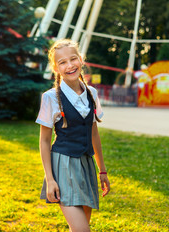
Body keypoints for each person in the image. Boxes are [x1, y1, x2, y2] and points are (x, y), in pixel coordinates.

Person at [36, 39, 110, 231]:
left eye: (73, 59)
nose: (69, 66)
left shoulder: (91, 93)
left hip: (86, 165)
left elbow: (94, 134)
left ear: (81, 60)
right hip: (63, 166)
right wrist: (50, 179)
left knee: (81, 225)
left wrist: (102, 170)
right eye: (62, 62)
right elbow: (44, 141)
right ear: (55, 67)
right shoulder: (51, 97)